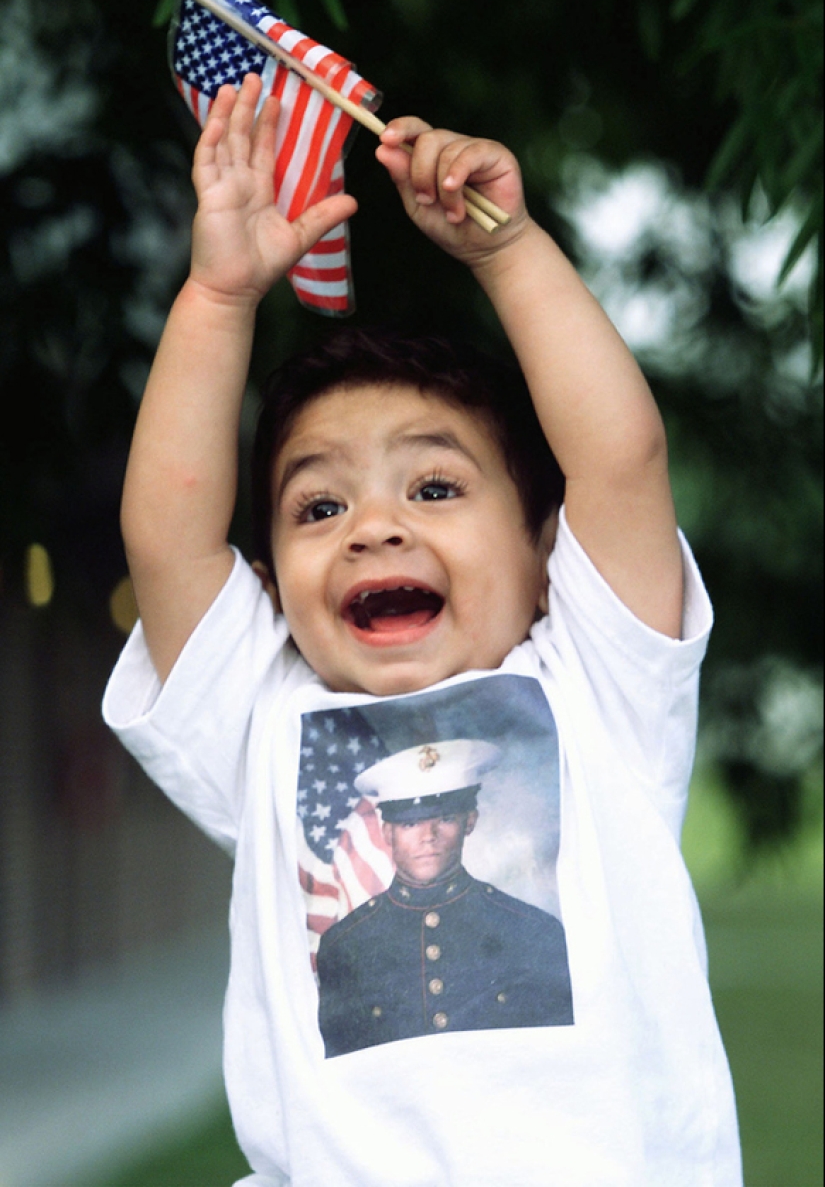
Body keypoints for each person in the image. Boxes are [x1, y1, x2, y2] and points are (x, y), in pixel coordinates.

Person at [103, 73, 742, 1186]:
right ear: (270, 576)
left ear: (551, 553)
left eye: (435, 489)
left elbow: (622, 457)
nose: (373, 528)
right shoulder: (264, 718)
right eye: (319, 505)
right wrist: (216, 301)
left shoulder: (601, 685)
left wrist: (509, 252)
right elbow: (166, 537)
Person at [316, 738, 574, 1057]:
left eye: (445, 819)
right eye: (410, 823)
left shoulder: (533, 932)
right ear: (387, 833)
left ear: (470, 821)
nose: (429, 837)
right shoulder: (344, 946)